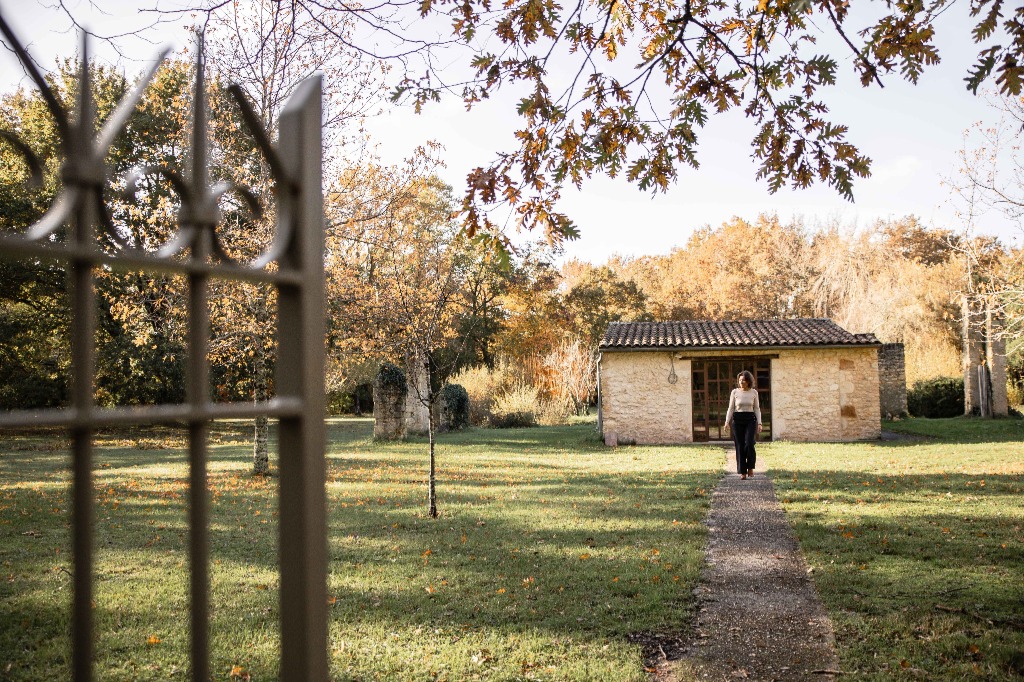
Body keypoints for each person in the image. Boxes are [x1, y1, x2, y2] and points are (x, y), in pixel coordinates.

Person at [723, 370, 762, 480]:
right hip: (738, 419)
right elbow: (730, 408)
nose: (741, 382)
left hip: (750, 419)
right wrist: (727, 422)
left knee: (749, 443)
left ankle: (750, 467)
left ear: (749, 381)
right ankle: (742, 471)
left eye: (743, 380)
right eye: (740, 380)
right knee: (739, 446)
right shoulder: (735, 392)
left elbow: (757, 408)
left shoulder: (754, 393)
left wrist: (759, 423)